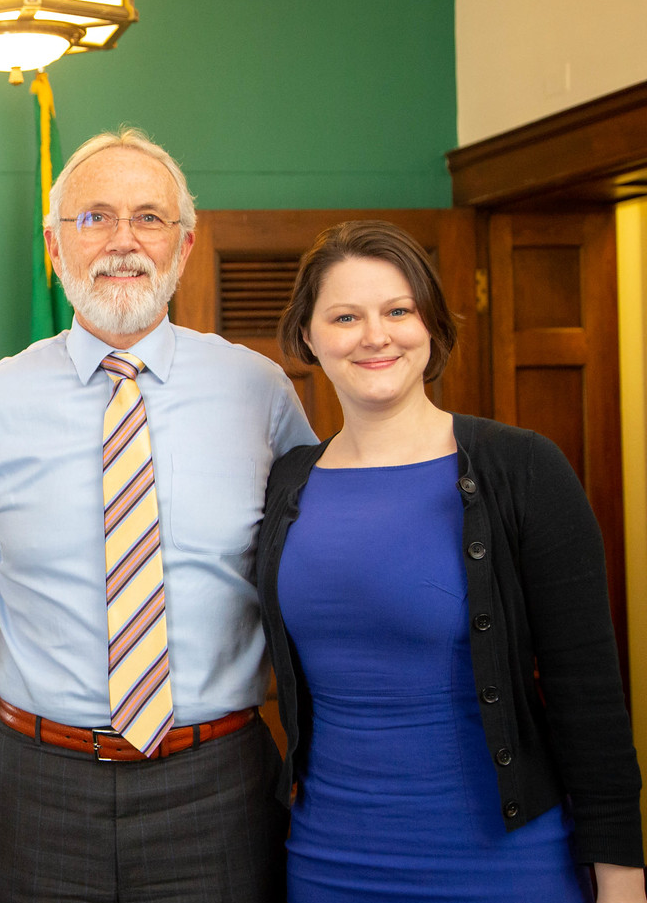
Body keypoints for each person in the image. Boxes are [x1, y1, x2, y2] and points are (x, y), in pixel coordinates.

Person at [0, 128, 316, 902]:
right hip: (39, 780)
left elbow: (312, 569)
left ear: (183, 245)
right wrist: (6, 662)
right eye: (95, 217)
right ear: (54, 244)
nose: (123, 241)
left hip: (220, 778)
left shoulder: (262, 390)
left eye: (149, 218)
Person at [259, 219, 645, 902]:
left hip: (504, 862)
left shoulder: (522, 468)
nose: (375, 335)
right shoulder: (286, 481)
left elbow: (589, 697)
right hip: (326, 860)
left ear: (431, 325)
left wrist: (622, 881)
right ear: (308, 337)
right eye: (345, 316)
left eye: (399, 310)